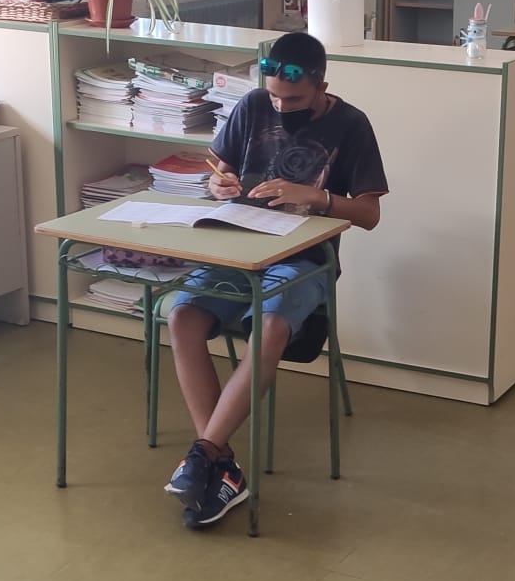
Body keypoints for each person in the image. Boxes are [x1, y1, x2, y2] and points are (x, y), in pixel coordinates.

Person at [164, 32, 388, 527]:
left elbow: (369, 215)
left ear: (322, 87)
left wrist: (317, 197)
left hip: (304, 259)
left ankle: (206, 456)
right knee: (181, 316)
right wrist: (217, 183)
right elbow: (219, 172)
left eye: (295, 99)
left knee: (269, 327)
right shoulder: (251, 106)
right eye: (274, 97)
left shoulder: (351, 124)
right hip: (237, 246)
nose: (281, 107)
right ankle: (218, 461)